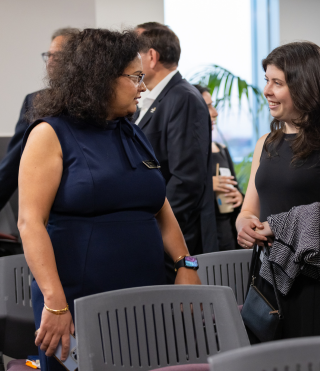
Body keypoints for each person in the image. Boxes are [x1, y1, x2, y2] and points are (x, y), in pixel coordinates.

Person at [18, 29, 201, 371]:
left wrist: (185, 264)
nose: (143, 87)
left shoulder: (130, 131)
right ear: (100, 78)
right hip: (76, 296)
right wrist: (56, 303)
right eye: (135, 78)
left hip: (144, 293)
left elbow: (159, 204)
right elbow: (30, 223)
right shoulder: (51, 133)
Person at [236, 41, 320, 340]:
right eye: (267, 81)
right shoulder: (266, 143)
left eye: (277, 83)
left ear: (305, 87)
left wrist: (278, 226)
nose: (267, 91)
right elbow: (248, 210)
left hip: (318, 279)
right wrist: (245, 225)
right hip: (271, 277)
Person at [135, 25, 218, 280]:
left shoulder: (183, 98)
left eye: (133, 53)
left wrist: (152, 225)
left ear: (151, 56)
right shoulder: (153, 99)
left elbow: (186, 180)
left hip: (175, 238)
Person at [0, 28, 78, 213]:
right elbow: (12, 165)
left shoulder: (101, 103)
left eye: (57, 56)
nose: (50, 62)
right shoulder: (35, 101)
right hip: (47, 211)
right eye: (48, 55)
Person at [195, 85, 243, 251]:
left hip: (228, 233)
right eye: (208, 107)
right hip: (202, 237)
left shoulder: (221, 149)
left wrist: (239, 197)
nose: (215, 112)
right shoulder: (186, 155)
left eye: (212, 105)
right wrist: (208, 184)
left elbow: (236, 188)